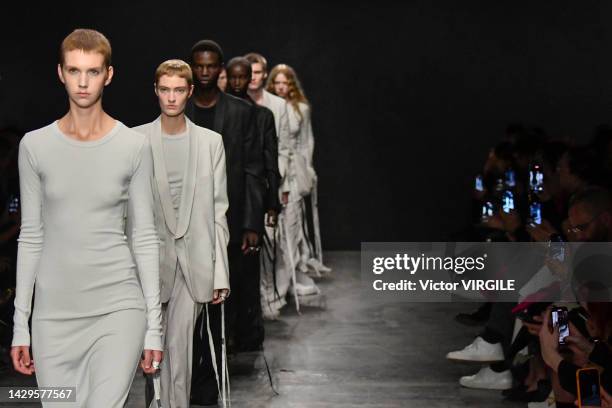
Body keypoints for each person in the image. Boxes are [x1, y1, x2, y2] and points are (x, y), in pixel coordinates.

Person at [10, 29, 162, 407]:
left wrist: (153, 329)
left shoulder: (133, 146)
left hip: (118, 308)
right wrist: (20, 327)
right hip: (53, 316)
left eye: (92, 71)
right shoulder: (35, 146)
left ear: (108, 75)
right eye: (74, 70)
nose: (82, 81)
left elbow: (144, 236)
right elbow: (30, 236)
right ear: (60, 72)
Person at [133, 59, 230, 408]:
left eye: (178, 90)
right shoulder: (134, 140)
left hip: (194, 264)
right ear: (155, 91)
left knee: (178, 349)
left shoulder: (210, 143)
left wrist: (220, 273)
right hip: (148, 264)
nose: (171, 98)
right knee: (151, 350)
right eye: (165, 90)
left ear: (189, 92)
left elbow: (219, 211)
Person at [186, 39, 265, 406]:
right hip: (183, 221)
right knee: (186, 303)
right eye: (198, 66)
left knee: (221, 298)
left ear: (219, 68)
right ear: (191, 67)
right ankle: (192, 368)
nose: (204, 73)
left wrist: (252, 222)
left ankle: (210, 373)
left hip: (226, 219)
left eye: (210, 66)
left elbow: (252, 169)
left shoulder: (239, 112)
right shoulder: (177, 105)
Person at [225, 56, 280, 348]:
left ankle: (246, 332)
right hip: (227, 202)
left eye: (241, 78)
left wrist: (271, 203)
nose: (236, 83)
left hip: (251, 202)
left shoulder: (262, 116)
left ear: (250, 80)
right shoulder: (219, 114)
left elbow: (269, 162)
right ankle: (231, 333)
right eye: (231, 77)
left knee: (247, 272)